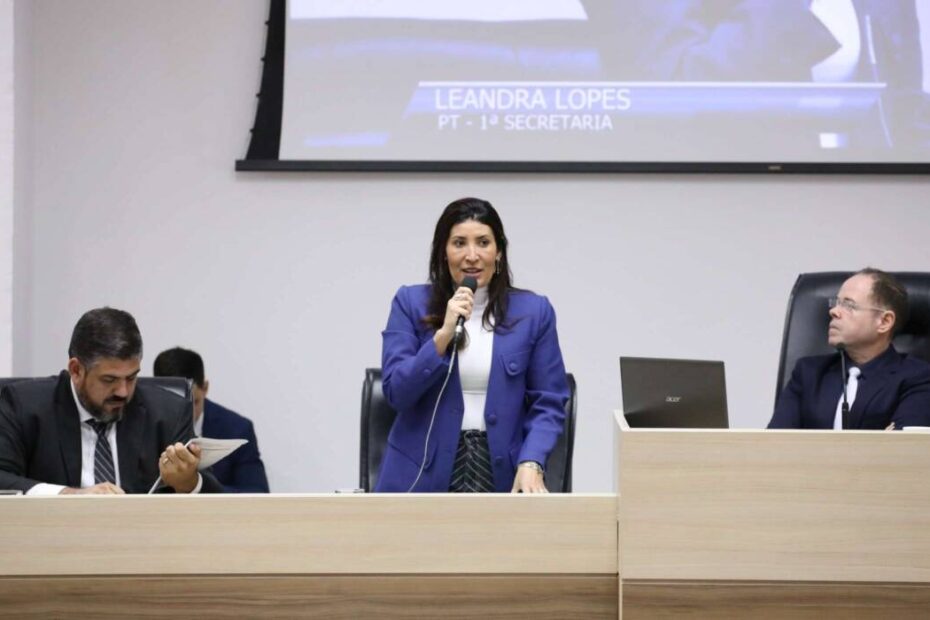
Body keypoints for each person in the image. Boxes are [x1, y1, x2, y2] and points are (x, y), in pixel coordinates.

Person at [377, 197, 569, 493]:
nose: (472, 255)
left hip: (503, 470)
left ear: (499, 251)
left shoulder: (534, 312)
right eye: (459, 243)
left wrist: (532, 461)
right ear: (443, 252)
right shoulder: (409, 303)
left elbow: (549, 401)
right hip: (421, 475)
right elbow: (395, 392)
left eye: (483, 242)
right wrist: (441, 336)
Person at [0, 307, 223, 494]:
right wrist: (67, 495)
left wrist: (187, 481)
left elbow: (215, 496)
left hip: (141, 542)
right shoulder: (24, 406)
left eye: (132, 377)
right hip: (51, 539)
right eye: (109, 379)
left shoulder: (168, 412)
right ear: (76, 370)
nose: (124, 392)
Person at [768, 268, 930, 430]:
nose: (833, 311)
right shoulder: (808, 373)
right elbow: (776, 444)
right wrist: (880, 437)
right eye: (836, 303)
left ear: (885, 321)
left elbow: (902, 450)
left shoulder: (918, 377)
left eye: (849, 305)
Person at [153, 347, 270, 493]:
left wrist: (198, 486)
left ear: (205, 388)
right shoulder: (138, 424)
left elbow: (256, 494)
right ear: (154, 393)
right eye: (172, 404)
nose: (183, 414)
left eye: (192, 403)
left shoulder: (237, 429)